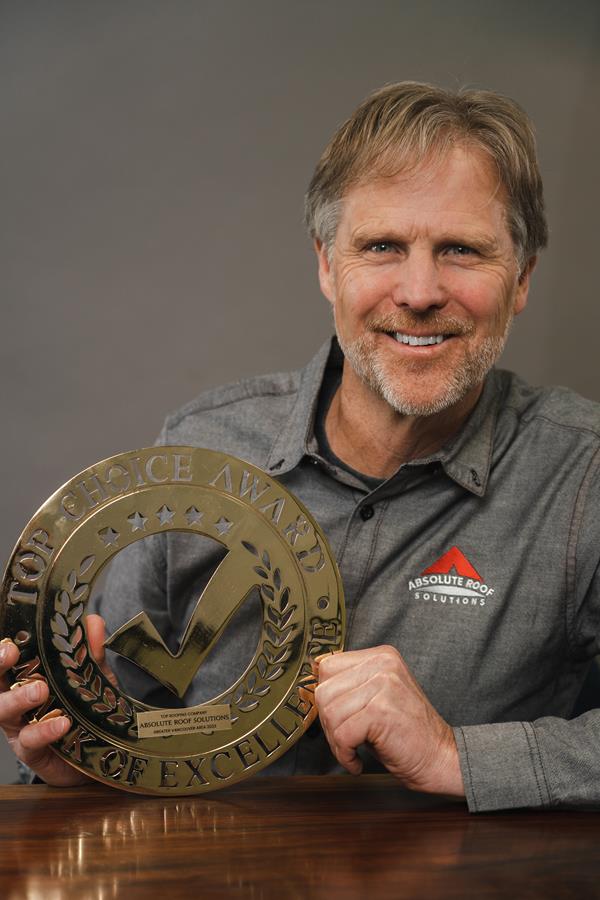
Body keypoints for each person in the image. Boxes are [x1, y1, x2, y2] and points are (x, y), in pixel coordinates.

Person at [2, 81, 600, 811]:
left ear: (522, 279)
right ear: (326, 265)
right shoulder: (200, 443)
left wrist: (457, 756)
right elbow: (122, 729)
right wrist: (80, 769)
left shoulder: (582, 476)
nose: (418, 290)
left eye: (462, 250)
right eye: (381, 246)